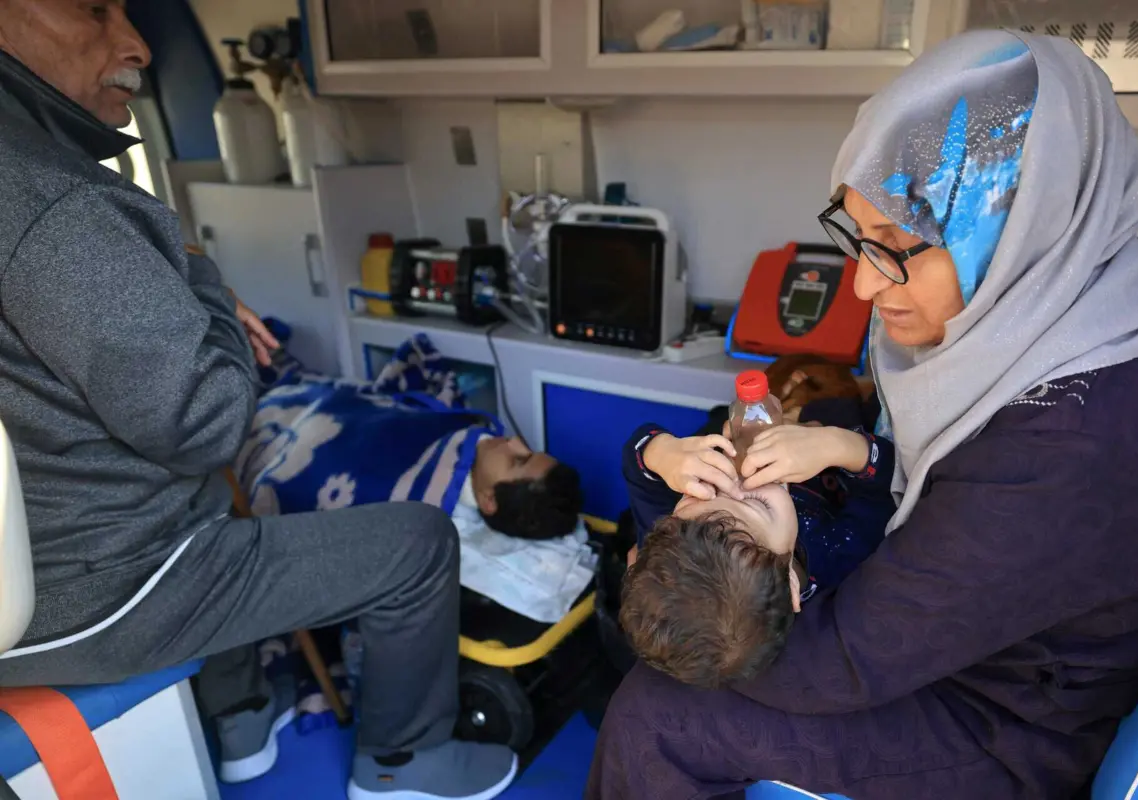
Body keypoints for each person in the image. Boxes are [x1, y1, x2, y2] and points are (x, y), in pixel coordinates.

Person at [588, 30, 1138, 800]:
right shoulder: (1076, 325)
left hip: (1008, 727)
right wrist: (845, 449)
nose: (865, 291)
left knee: (662, 711)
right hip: (974, 651)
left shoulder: (1075, 445)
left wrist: (701, 630)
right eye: (857, 238)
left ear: (1023, 226)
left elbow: (845, 660)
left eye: (898, 246)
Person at [0, 3, 516, 799]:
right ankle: (404, 764)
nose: (135, 43)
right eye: (92, 7)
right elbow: (206, 425)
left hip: (59, 566)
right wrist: (202, 276)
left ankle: (242, 722)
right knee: (416, 543)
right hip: (106, 590)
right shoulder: (56, 207)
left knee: (216, 514)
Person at [618, 396, 893, 689]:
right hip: (834, 459)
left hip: (769, 430)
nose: (735, 477)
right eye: (757, 503)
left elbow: (639, 467)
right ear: (791, 584)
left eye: (698, 493)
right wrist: (838, 445)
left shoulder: (670, 546)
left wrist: (663, 454)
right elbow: (885, 495)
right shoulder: (835, 559)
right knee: (831, 408)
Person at [238, 346, 583, 539]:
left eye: (518, 461)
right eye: (530, 451)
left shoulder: (416, 508)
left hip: (271, 430)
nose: (517, 442)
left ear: (488, 500)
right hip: (322, 403)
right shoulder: (464, 441)